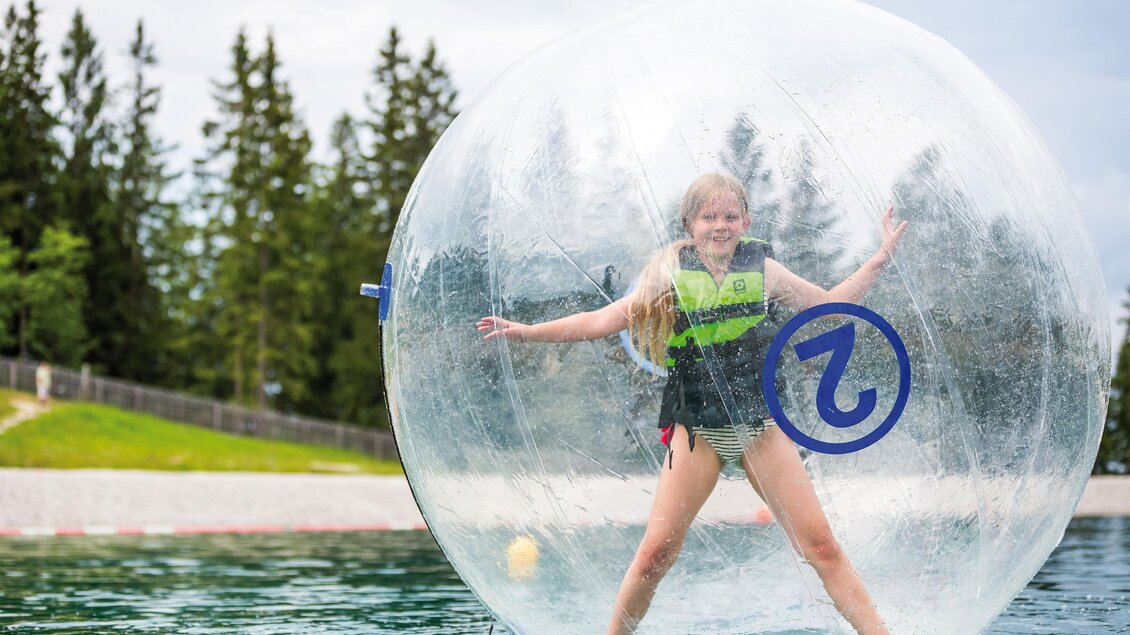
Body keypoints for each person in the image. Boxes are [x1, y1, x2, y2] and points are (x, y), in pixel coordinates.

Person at [478, 173, 908, 635]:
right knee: (654, 556)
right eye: (708, 217)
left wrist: (881, 257)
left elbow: (831, 305)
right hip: (696, 434)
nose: (719, 225)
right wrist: (529, 332)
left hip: (761, 429)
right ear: (690, 224)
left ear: (746, 222)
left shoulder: (764, 271)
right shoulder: (669, 275)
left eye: (730, 216)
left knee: (822, 547)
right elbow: (603, 320)